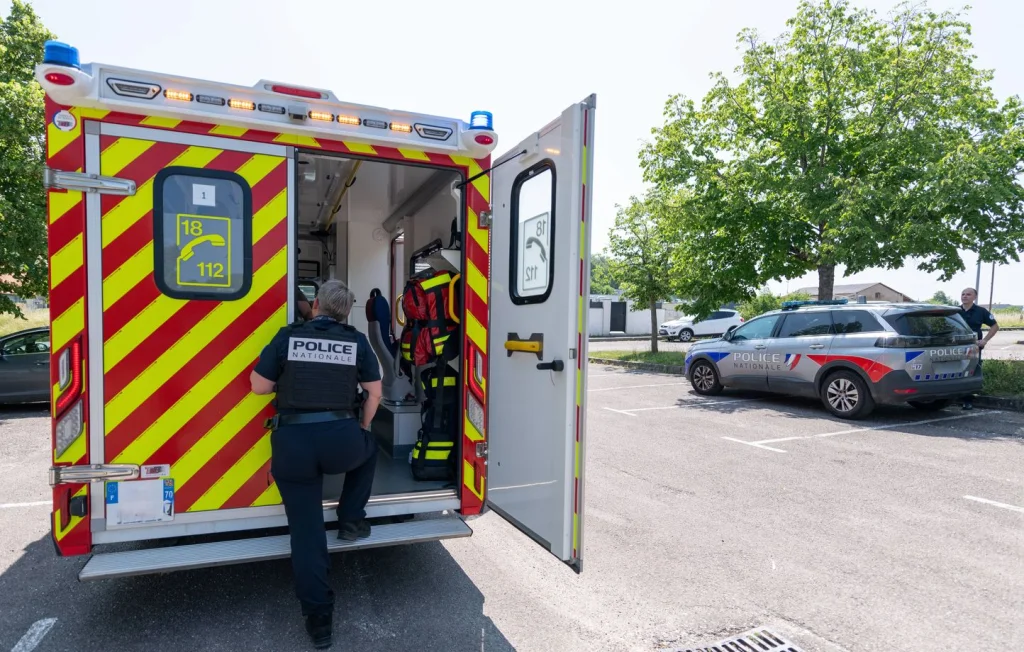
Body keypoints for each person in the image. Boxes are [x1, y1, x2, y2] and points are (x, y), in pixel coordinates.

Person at [250, 279, 383, 649]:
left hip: (293, 444)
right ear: (347, 310)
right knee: (369, 448)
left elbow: (258, 387)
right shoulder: (356, 341)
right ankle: (351, 519)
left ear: (317, 303)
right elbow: (374, 393)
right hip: (341, 439)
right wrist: (362, 427)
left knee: (306, 533)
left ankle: (320, 622)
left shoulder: (288, 335)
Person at [957, 287, 999, 410]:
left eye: (968, 294)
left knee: (970, 372)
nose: (965, 296)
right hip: (955, 346)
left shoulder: (981, 311)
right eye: (963, 294)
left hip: (973, 347)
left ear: (974, 297)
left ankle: (967, 400)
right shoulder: (955, 311)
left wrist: (985, 340)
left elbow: (995, 326)